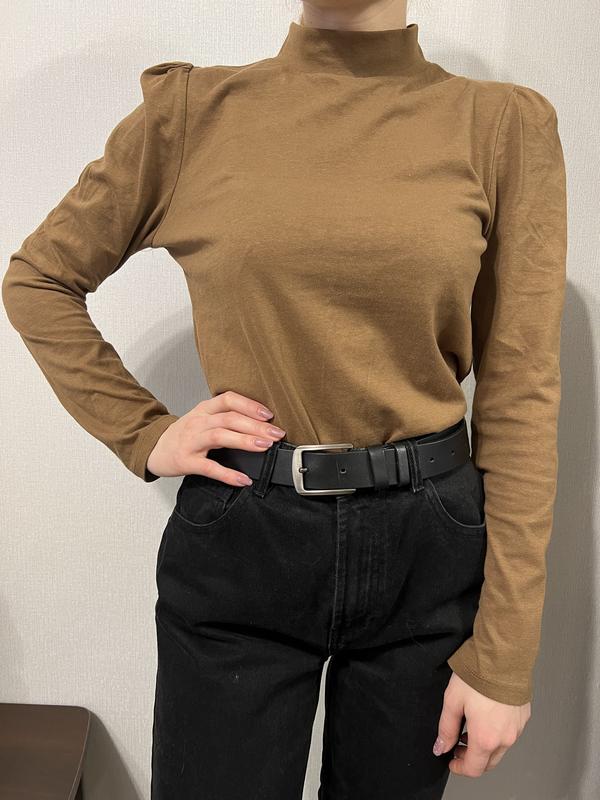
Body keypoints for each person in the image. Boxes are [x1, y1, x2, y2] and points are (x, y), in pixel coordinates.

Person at [2, 1, 567, 797]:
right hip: (245, 536)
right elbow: (40, 279)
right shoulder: (192, 114)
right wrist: (142, 430)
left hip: (428, 552)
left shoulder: (502, 126)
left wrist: (505, 657)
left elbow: (521, 397)